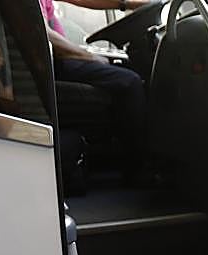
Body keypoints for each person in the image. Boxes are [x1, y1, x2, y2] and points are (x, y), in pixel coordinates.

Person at [39, 0, 149, 178]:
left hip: (61, 60)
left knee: (126, 71)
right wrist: (88, 56)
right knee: (130, 82)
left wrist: (127, 4)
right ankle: (138, 169)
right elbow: (43, 35)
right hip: (55, 63)